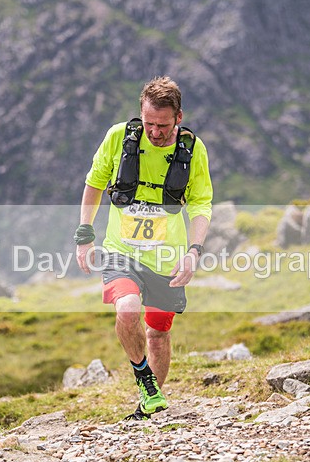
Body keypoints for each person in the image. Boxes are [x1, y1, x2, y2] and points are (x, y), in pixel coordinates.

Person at [75, 76, 213, 420]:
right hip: (121, 249)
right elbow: (94, 182)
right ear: (141, 113)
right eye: (149, 123)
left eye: (163, 126)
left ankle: (148, 408)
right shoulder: (119, 137)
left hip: (167, 256)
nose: (154, 132)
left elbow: (201, 205)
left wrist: (193, 251)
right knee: (127, 308)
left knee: (158, 334)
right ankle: (144, 380)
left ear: (178, 118)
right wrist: (84, 234)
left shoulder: (193, 150)